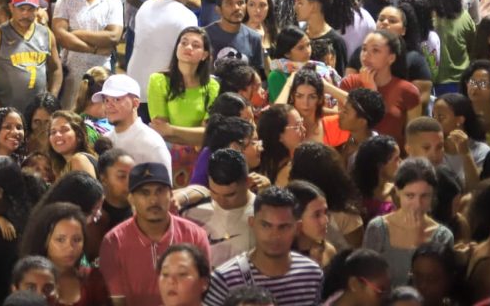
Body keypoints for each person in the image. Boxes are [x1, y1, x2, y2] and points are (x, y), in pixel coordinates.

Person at [99, 162, 210, 306]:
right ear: (131, 199)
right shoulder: (114, 242)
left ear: (171, 194)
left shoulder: (195, 235)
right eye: (144, 193)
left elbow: (203, 291)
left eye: (160, 191)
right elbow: (117, 302)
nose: (153, 200)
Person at [203, 187, 324, 306]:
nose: (274, 235)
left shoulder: (312, 275)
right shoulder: (224, 279)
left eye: (284, 227)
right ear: (252, 223)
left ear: (297, 228)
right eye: (266, 225)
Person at [362, 157, 454, 288]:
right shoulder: (378, 229)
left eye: (424, 196)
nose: (417, 204)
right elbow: (367, 282)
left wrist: (417, 242)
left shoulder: (443, 236)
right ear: (398, 192)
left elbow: (437, 287)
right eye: (410, 196)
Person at [51, 0, 124, 109]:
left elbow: (113, 36)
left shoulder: (113, 2)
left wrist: (77, 34)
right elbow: (60, 36)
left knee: (100, 119)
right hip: (71, 73)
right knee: (70, 118)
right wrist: (94, 49)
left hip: (101, 73)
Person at [0, 0, 62, 114]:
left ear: (38, 10)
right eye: (21, 9)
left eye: (30, 9)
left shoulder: (46, 34)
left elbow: (56, 69)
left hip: (38, 113)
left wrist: (51, 99)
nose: (25, 14)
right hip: (7, 110)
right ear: (11, 7)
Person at [97, 74, 172, 172]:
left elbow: (164, 186)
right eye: (106, 100)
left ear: (135, 103)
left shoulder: (151, 143)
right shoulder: (106, 139)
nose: (109, 105)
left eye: (116, 99)